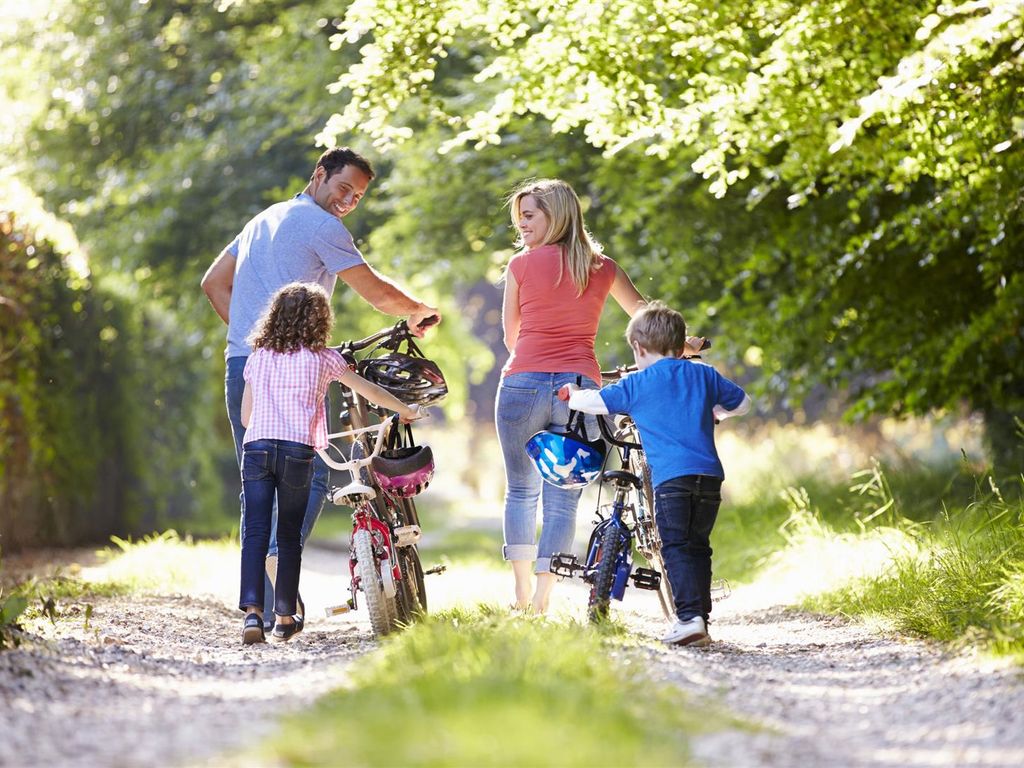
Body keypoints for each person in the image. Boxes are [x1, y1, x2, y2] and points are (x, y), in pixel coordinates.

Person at [202, 147, 439, 631]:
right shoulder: (321, 226)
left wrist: (261, 340)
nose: (347, 201)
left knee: (257, 479)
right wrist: (417, 309)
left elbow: (213, 283)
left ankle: (266, 611)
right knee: (306, 473)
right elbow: (374, 292)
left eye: (357, 197)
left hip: (244, 364)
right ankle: (275, 561)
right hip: (298, 369)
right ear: (319, 175)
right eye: (343, 188)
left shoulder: (263, 219)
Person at [239, 282, 425, 644]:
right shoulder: (323, 358)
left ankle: (251, 616)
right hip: (296, 451)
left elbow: (247, 416)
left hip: (257, 449)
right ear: (320, 320)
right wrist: (406, 410)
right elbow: (368, 391)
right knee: (288, 536)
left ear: (274, 317)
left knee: (255, 533)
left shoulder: (257, 356)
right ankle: (284, 616)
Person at [497, 177, 651, 614]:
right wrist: (684, 342)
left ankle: (521, 594)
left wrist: (537, 354)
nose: (521, 225)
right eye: (519, 217)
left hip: (521, 383)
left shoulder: (520, 266)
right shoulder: (603, 268)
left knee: (521, 490)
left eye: (529, 216)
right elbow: (644, 317)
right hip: (579, 390)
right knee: (564, 493)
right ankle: (544, 596)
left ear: (556, 215)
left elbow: (511, 337)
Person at [560, 301, 751, 646]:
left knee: (675, 546)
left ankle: (689, 618)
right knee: (698, 546)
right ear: (681, 347)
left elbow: (596, 402)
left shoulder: (639, 383)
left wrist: (573, 396)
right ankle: (699, 617)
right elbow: (742, 403)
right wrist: (715, 413)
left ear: (637, 347)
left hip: (671, 480)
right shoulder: (703, 374)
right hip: (709, 477)